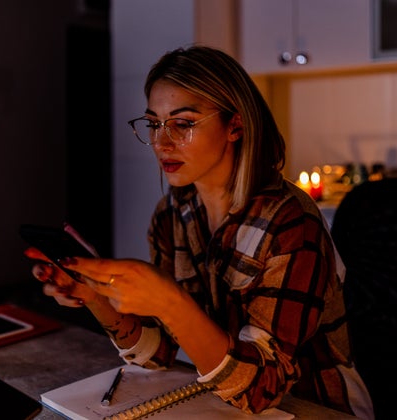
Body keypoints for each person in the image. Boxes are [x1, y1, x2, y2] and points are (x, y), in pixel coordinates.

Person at [25, 45, 374, 418]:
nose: (161, 142)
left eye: (183, 123)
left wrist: (169, 302)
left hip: (317, 407)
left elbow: (260, 390)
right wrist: (93, 296)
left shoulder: (291, 224)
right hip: (224, 400)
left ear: (235, 126)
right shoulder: (171, 215)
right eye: (154, 124)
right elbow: (157, 353)